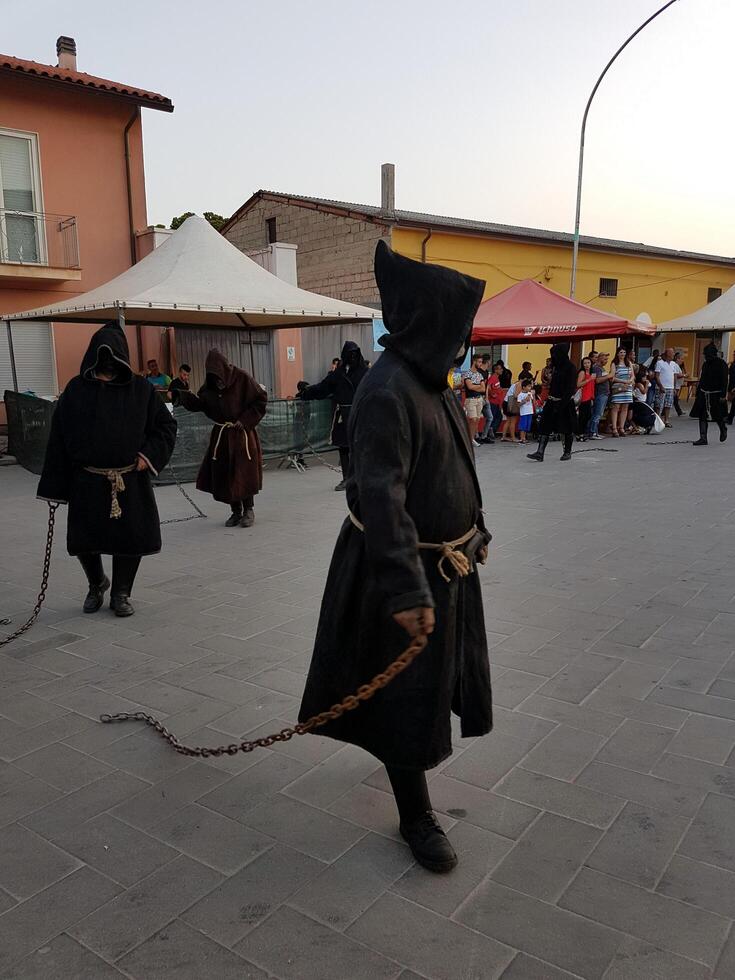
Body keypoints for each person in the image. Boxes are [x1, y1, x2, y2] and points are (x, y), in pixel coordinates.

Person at [298, 241, 492, 874]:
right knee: (408, 696)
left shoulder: (431, 383)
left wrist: (476, 529)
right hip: (401, 572)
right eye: (460, 328)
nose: (466, 340)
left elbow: (456, 465)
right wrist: (408, 593)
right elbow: (379, 497)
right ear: (434, 325)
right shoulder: (387, 392)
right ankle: (415, 814)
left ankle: (411, 788)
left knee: (431, 690)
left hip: (446, 569)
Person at [37, 322, 177, 617]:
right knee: (84, 538)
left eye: (112, 356)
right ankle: (96, 583)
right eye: (102, 356)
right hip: (87, 480)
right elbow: (59, 437)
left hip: (129, 479)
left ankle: (121, 593)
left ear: (122, 357)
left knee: (130, 537)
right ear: (92, 356)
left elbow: (166, 426)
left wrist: (147, 456)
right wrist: (55, 486)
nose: (107, 362)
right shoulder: (76, 390)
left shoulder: (140, 390)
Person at [171, 349, 266, 527]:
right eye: (214, 377)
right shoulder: (210, 387)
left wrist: (245, 420)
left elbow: (260, 399)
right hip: (222, 437)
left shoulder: (242, 378)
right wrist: (182, 396)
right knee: (226, 473)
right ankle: (235, 511)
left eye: (219, 376)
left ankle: (248, 510)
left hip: (242, 434)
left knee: (244, 472)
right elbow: (201, 403)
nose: (218, 381)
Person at [300, 341, 369, 491]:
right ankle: (346, 479)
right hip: (342, 416)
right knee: (343, 448)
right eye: (349, 353)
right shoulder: (339, 373)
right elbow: (323, 387)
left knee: (359, 448)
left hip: (360, 415)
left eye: (354, 353)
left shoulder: (365, 373)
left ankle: (360, 478)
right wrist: (307, 392)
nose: (352, 356)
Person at [527, 343, 578, 462]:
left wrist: (562, 404)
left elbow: (570, 388)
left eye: (555, 354)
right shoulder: (556, 367)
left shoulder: (570, 367)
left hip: (564, 403)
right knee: (544, 425)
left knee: (566, 428)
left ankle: (567, 452)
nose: (553, 357)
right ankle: (540, 452)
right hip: (551, 400)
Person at [691, 343, 729, 446]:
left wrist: (723, 395)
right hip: (704, 393)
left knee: (717, 415)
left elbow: (724, 380)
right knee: (702, 415)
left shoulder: (722, 364)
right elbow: (702, 378)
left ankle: (723, 429)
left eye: (707, 354)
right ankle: (703, 438)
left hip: (716, 394)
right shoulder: (706, 364)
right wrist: (699, 392)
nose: (706, 356)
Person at [608, 347, 634, 437]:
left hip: (627, 387)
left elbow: (632, 375)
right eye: (621, 352)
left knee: (625, 407)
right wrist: (623, 381)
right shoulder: (614, 363)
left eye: (624, 352)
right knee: (616, 407)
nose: (622, 354)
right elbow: (612, 377)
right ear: (617, 354)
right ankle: (614, 429)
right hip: (618, 387)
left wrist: (630, 381)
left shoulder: (629, 363)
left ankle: (621, 428)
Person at [462, 353, 486, 446]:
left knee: (477, 420)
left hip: (479, 399)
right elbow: (469, 386)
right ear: (474, 361)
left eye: (481, 362)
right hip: (470, 399)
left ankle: (471, 438)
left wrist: (475, 386)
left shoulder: (480, 374)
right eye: (479, 362)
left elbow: (483, 388)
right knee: (473, 419)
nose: (480, 364)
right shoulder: (468, 373)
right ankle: (468, 438)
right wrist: (478, 386)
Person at [588, 352, 612, 440]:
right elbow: (597, 380)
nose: (606, 361)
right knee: (597, 413)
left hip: (604, 393)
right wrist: (608, 376)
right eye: (605, 359)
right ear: (600, 358)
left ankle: (595, 432)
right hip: (600, 393)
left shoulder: (601, 368)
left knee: (599, 413)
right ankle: (592, 432)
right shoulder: (596, 368)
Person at [654, 348, 681, 427]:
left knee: (668, 405)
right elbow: (657, 376)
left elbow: (675, 376)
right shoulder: (660, 363)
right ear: (667, 354)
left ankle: (666, 420)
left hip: (670, 387)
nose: (673, 354)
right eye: (672, 353)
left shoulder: (674, 364)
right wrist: (660, 386)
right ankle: (657, 420)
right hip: (661, 387)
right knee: (659, 405)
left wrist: (674, 387)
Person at [576, 356, 595, 442]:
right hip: (583, 397)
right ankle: (580, 434)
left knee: (588, 415)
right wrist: (589, 379)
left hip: (589, 396)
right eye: (585, 363)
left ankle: (581, 433)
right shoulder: (582, 372)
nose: (587, 365)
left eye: (588, 363)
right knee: (583, 416)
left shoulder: (591, 373)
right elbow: (578, 384)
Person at [631, 366, 656, 434]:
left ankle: (643, 426)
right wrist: (646, 385)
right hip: (640, 402)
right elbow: (644, 391)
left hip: (642, 401)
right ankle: (638, 426)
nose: (645, 378)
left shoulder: (642, 384)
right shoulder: (639, 384)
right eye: (644, 377)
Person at [478, 355, 495, 444]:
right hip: (479, 397)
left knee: (490, 417)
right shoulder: (479, 372)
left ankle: (483, 436)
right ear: (488, 361)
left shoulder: (486, 372)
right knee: (476, 417)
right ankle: (476, 436)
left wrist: (487, 397)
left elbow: (487, 387)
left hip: (485, 398)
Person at [486, 363, 505, 438]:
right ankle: (489, 432)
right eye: (500, 369)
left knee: (499, 417)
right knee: (493, 418)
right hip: (492, 402)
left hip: (497, 402)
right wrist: (491, 394)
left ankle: (492, 431)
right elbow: (488, 386)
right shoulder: (493, 377)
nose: (502, 370)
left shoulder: (497, 378)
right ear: (495, 370)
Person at [516, 379, 535, 445]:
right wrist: (524, 400)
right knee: (523, 426)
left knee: (527, 426)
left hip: (529, 411)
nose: (530, 388)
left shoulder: (529, 393)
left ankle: (524, 438)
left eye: (530, 386)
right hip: (524, 412)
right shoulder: (520, 395)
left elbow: (533, 402)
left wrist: (533, 395)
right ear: (524, 387)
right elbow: (518, 405)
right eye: (528, 386)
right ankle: (522, 438)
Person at [501, 379, 520, 443]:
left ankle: (503, 436)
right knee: (513, 421)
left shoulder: (515, 383)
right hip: (511, 403)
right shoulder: (519, 384)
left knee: (508, 421)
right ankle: (513, 437)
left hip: (506, 402)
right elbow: (516, 395)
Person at [728, 352, 735, 425]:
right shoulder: (733, 364)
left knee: (734, 404)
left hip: (734, 387)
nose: (733, 356)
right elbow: (729, 373)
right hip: (732, 386)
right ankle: (729, 418)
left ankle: (730, 419)